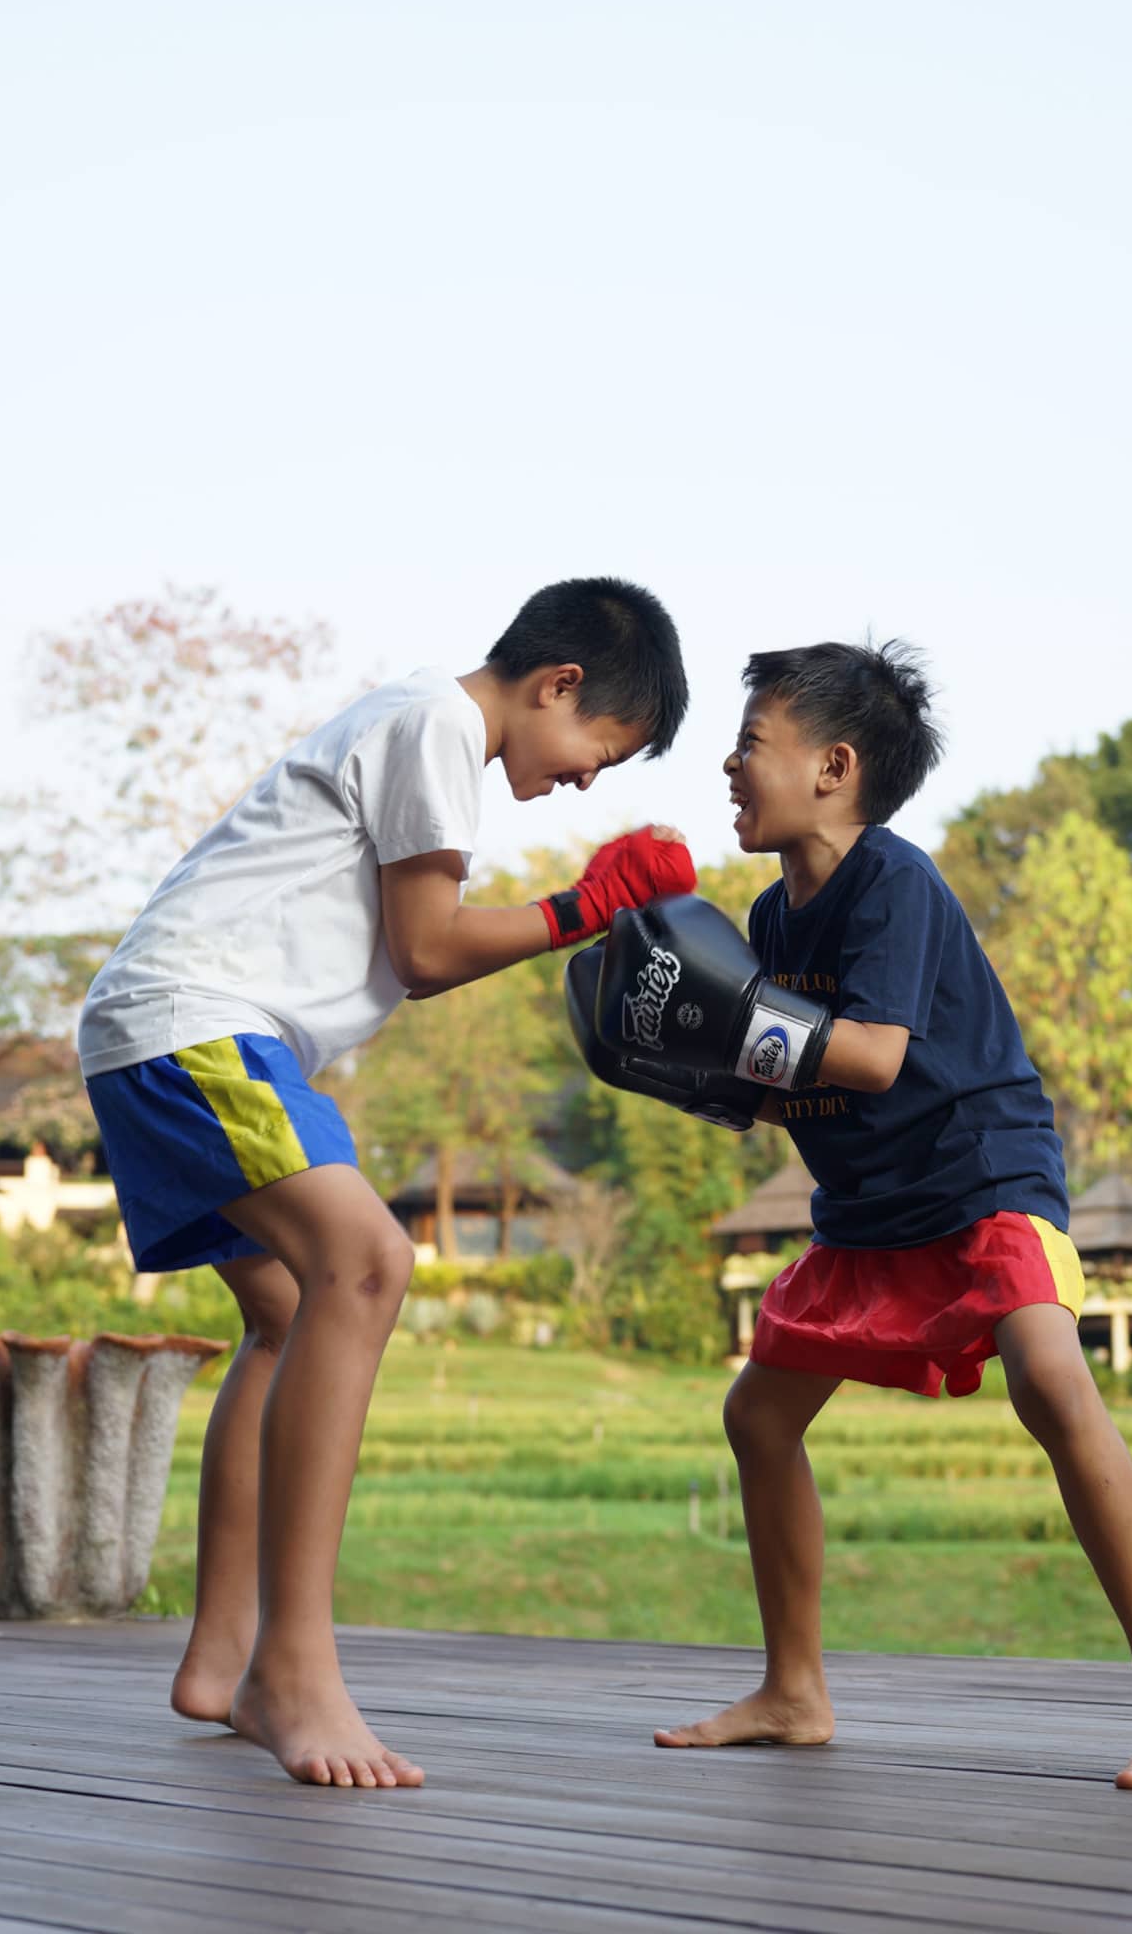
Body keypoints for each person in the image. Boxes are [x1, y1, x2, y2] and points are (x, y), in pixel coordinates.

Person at [79, 578, 693, 1790]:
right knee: (367, 1262)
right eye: (595, 755)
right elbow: (425, 951)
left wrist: (586, 904)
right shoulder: (435, 726)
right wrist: (587, 903)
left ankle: (223, 1657)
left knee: (289, 1312)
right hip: (194, 1025)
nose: (582, 782)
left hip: (192, 1030)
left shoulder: (424, 728)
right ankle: (293, 1674)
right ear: (557, 685)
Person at [579, 640, 1132, 1793]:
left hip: (981, 1178)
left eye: (750, 743)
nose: (728, 764)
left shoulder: (892, 880)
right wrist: (679, 1063)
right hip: (866, 1208)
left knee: (1049, 1374)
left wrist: (731, 1032)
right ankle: (794, 1690)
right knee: (759, 1417)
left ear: (833, 767)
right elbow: (781, 1089)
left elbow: (868, 1058)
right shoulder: (772, 920)